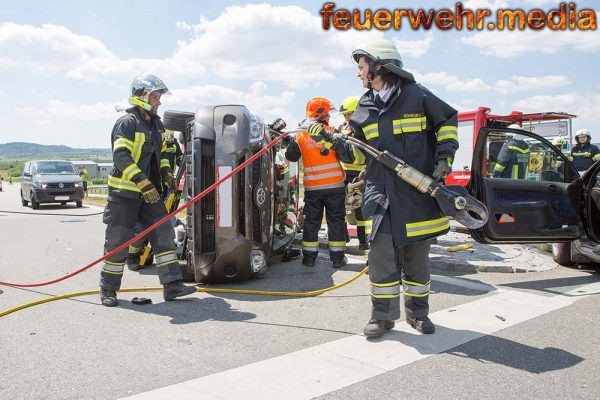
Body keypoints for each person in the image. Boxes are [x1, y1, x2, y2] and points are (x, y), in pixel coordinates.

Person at [347, 39, 459, 337]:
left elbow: (448, 120)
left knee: (416, 258)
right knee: (381, 254)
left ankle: (418, 314)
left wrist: (445, 157)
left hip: (416, 193)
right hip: (381, 193)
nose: (358, 74)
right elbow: (357, 154)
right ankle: (382, 317)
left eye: (361, 67)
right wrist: (332, 143)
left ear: (378, 66)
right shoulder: (364, 106)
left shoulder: (416, 95)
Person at [100, 74, 196, 307]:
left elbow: (162, 154)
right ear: (142, 96)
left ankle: (172, 286)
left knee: (164, 233)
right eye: (156, 96)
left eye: (160, 97)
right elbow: (121, 157)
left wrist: (166, 173)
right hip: (125, 195)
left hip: (151, 194)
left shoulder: (157, 124)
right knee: (118, 242)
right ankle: (108, 290)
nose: (159, 102)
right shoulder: (127, 122)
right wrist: (142, 182)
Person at [285, 97, 355, 268]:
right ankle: (338, 259)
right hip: (334, 186)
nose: (330, 117)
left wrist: (295, 139)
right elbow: (349, 157)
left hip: (313, 188)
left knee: (312, 222)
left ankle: (309, 259)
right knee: (336, 222)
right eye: (328, 114)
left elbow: (290, 156)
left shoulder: (300, 135)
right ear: (321, 116)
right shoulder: (331, 132)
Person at [338, 96, 370, 252]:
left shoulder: (363, 128)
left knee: (359, 209)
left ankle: (363, 242)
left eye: (349, 114)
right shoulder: (341, 127)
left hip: (359, 175)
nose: (347, 117)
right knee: (341, 208)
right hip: (343, 174)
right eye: (345, 115)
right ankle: (344, 237)